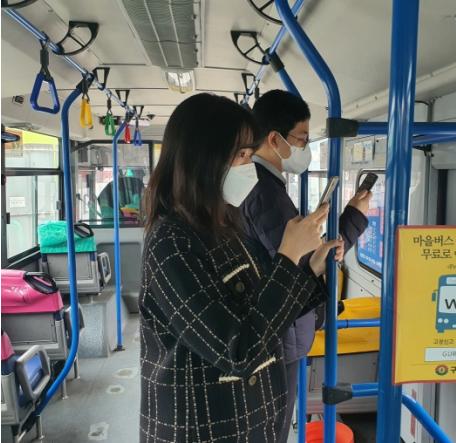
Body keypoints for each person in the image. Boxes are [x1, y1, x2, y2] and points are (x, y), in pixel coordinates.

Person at [139, 93, 343, 443]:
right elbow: (237, 350)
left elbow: (258, 306)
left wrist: (310, 269)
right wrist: (288, 255)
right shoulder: (171, 243)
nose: (250, 167)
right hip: (204, 428)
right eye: (243, 156)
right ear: (206, 159)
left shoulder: (221, 225)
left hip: (245, 422)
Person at [239, 89, 372, 441]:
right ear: (274, 139)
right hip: (280, 332)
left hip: (278, 326)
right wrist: (354, 218)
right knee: (275, 427)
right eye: (302, 139)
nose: (305, 148)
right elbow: (298, 269)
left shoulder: (265, 185)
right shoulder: (266, 193)